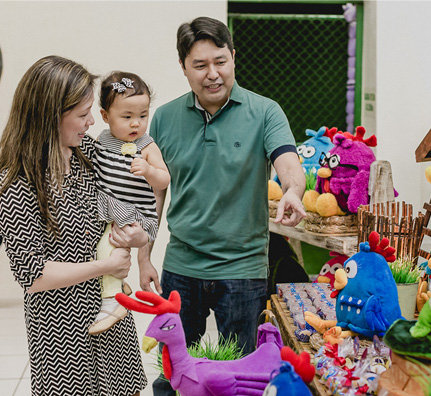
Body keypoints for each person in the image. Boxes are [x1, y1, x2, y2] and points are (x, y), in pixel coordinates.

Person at [147, 16, 306, 392]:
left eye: (220, 61)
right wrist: (144, 256)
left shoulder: (265, 111)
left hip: (243, 268)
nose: (212, 74)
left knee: (242, 374)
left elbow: (288, 164)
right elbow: (153, 194)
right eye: (200, 65)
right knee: (173, 373)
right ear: (183, 67)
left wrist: (293, 191)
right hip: (182, 265)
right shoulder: (165, 119)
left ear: (234, 57)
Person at [0, 55, 149, 395]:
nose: (92, 121)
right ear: (50, 115)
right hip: (60, 331)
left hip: (111, 313)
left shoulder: (88, 155)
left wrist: (138, 235)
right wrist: (105, 265)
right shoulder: (15, 182)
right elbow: (31, 276)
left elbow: (138, 190)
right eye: (82, 114)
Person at [89, 71, 169, 334]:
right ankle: (117, 285)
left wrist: (147, 170)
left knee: (107, 246)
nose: (137, 124)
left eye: (143, 115)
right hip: (108, 208)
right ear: (105, 116)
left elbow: (164, 180)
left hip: (135, 212)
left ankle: (113, 301)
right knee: (99, 247)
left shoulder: (146, 146)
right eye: (127, 117)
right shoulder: (102, 140)